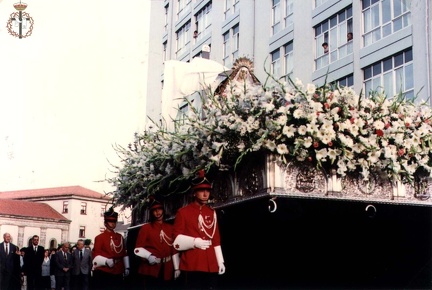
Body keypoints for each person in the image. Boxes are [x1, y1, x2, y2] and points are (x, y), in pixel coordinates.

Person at [173, 170, 226, 289]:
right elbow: (176, 240)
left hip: (211, 263)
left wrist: (220, 261)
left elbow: (216, 239)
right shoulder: (183, 212)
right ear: (194, 193)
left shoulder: (212, 212)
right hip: (193, 263)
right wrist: (194, 242)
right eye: (202, 190)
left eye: (207, 190)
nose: (205, 194)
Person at [134, 198, 179, 289]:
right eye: (155, 210)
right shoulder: (146, 228)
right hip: (151, 270)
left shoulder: (170, 228)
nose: (158, 212)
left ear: (163, 210)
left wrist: (177, 268)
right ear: (151, 213)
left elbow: (174, 249)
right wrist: (148, 256)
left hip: (167, 269)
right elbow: (138, 249)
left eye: (160, 209)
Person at [92, 206, 130, 289]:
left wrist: (127, 267)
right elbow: (96, 255)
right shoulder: (99, 237)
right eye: (110, 221)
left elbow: (124, 253)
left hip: (119, 270)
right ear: (105, 223)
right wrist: (105, 261)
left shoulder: (120, 237)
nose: (112, 223)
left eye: (114, 221)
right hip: (105, 271)